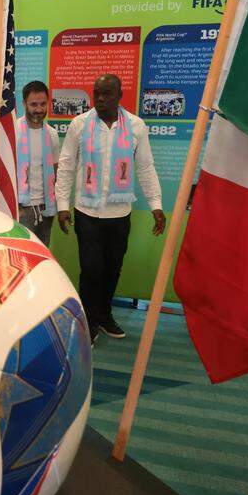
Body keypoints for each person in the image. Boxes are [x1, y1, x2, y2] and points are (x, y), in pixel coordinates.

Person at [56, 75, 165, 342]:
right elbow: (67, 165)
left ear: (120, 95)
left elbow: (145, 167)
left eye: (107, 94)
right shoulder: (79, 124)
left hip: (119, 214)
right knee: (91, 269)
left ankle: (104, 316)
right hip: (86, 212)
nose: (101, 99)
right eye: (97, 94)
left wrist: (156, 205)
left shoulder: (137, 127)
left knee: (112, 268)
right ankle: (88, 321)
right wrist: (62, 206)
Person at [16, 80, 60, 246]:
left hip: (46, 207)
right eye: (33, 104)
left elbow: (56, 171)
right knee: (22, 256)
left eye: (43, 104)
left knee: (42, 257)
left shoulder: (52, 134)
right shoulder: (13, 131)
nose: (39, 109)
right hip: (21, 207)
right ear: (24, 104)